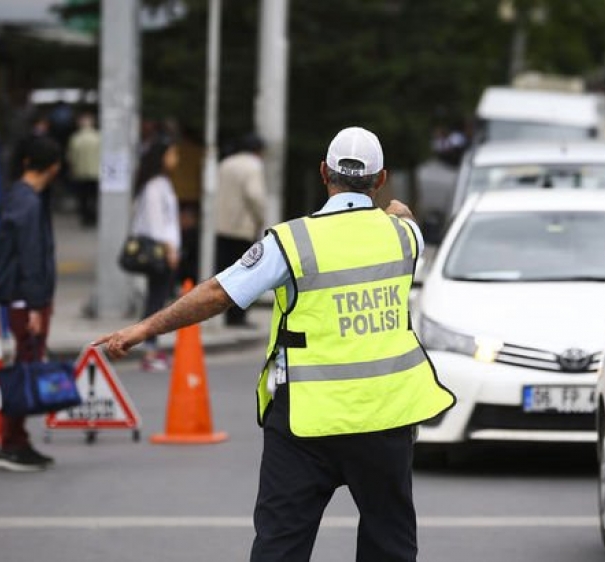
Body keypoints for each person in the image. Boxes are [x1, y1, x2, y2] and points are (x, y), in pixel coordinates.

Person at [94, 126, 456, 561]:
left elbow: (216, 294)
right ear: (381, 179)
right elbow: (406, 219)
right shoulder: (405, 237)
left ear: (324, 173)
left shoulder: (292, 242)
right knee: (390, 542)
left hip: (306, 422)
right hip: (385, 417)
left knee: (281, 546)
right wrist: (400, 211)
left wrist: (143, 329)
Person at [0, 136, 62, 472]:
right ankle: (11, 444)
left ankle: (16, 440)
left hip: (22, 298)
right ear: (53, 167)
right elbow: (31, 258)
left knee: (25, 365)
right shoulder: (29, 203)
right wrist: (36, 305)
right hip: (26, 300)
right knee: (24, 369)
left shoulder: (18, 196)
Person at [129, 137, 181, 372]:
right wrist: (169, 249)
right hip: (159, 251)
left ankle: (151, 346)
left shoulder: (161, 183)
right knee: (156, 299)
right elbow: (156, 223)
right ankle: (149, 349)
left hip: (165, 249)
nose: (175, 159)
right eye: (172, 154)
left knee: (158, 297)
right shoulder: (154, 186)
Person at [214, 132, 266, 327]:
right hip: (243, 227)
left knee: (226, 272)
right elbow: (255, 195)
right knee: (246, 273)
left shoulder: (225, 164)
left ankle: (227, 315)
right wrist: (260, 218)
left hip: (222, 225)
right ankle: (238, 317)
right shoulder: (253, 166)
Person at [66, 113, 101, 228]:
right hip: (96, 172)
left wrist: (72, 169)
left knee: (83, 197)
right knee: (94, 197)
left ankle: (85, 217)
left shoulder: (75, 138)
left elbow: (71, 157)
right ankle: (93, 216)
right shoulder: (98, 137)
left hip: (80, 172)